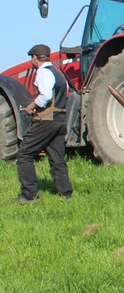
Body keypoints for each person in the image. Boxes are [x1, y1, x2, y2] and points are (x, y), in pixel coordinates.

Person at [15, 44, 72, 203]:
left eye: (31, 58)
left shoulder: (43, 72)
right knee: (57, 157)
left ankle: (29, 195)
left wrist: (32, 106)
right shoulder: (59, 73)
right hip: (61, 119)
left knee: (24, 154)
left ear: (35, 57)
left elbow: (46, 96)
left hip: (47, 120)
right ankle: (65, 193)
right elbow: (65, 95)